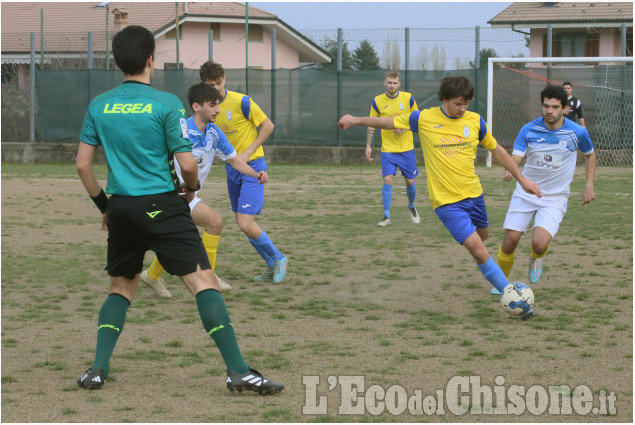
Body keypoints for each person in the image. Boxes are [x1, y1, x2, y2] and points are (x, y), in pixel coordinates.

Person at [75, 25, 283, 394]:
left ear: (117, 61)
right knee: (203, 281)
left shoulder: (98, 104)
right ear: (151, 59)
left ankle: (96, 369)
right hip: (163, 204)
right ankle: (238, 371)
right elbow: (187, 165)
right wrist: (191, 189)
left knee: (121, 287)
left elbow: (83, 165)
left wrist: (106, 207)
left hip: (122, 207)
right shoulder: (166, 103)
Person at [338, 75, 542, 319]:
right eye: (458, 103)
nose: (463, 108)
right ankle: (511, 295)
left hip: (474, 195)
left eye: (466, 103)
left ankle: (492, 269)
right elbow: (387, 122)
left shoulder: (476, 121)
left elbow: (496, 150)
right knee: (477, 250)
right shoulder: (422, 118)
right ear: (444, 99)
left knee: (483, 236)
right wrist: (355, 120)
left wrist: (522, 179)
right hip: (446, 202)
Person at [141, 82, 269, 297]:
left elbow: (234, 160)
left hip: (187, 195)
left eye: (218, 104)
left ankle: (151, 276)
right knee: (213, 222)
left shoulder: (214, 133)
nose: (218, 109)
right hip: (169, 195)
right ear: (196, 106)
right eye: (212, 105)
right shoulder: (180, 130)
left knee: (178, 240)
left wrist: (255, 174)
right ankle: (208, 278)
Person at [490, 85, 595, 295]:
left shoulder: (577, 132)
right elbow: (517, 156)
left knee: (539, 244)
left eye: (555, 107)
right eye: (546, 106)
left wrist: (589, 185)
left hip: (555, 197)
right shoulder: (528, 129)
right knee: (510, 242)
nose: (549, 111)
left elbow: (590, 154)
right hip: (526, 192)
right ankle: (501, 284)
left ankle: (536, 259)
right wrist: (511, 169)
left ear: (564, 108)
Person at [199, 61, 288, 284]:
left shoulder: (242, 101)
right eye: (211, 85)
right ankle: (270, 265)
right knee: (242, 223)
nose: (216, 88)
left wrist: (247, 152)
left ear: (225, 79)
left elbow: (268, 125)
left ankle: (279, 258)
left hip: (253, 166)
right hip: (233, 169)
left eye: (219, 83)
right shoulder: (207, 110)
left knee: (245, 223)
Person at [366, 70, 421, 227]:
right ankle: (386, 216)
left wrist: (404, 128)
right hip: (388, 149)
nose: (391, 86)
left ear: (399, 84)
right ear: (384, 83)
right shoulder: (377, 101)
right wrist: (368, 145)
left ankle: (411, 206)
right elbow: (371, 123)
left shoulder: (408, 98)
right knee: (388, 179)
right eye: (389, 82)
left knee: (410, 181)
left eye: (394, 83)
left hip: (406, 148)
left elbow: (417, 119)